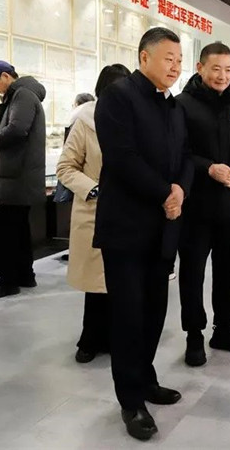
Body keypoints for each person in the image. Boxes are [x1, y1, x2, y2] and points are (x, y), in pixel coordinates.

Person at [94, 28, 193, 441]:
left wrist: (181, 188)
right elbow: (122, 158)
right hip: (126, 229)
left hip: (163, 228)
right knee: (128, 316)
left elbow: (185, 155)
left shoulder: (173, 105)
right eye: (168, 58)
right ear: (144, 57)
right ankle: (130, 400)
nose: (175, 66)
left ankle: (146, 378)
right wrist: (165, 193)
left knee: (154, 312)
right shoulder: (118, 97)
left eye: (179, 60)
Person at [175, 43, 230, 367]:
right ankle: (194, 335)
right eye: (216, 69)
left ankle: (224, 329)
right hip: (195, 208)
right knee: (192, 274)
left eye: (228, 69)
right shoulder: (182, 106)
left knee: (229, 273)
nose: (222, 76)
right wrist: (208, 168)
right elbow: (178, 152)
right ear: (200, 68)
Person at [55, 64, 130, 364]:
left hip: (130, 213)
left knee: (122, 282)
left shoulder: (137, 119)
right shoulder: (86, 121)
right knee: (97, 283)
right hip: (95, 210)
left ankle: (116, 337)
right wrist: (94, 189)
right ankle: (90, 339)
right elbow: (66, 167)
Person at [0, 60, 46, 300]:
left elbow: (17, 129)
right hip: (18, 177)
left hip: (15, 178)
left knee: (6, 232)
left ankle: (7, 281)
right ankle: (24, 275)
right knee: (18, 230)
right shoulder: (23, 95)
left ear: (6, 76)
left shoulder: (22, 95)